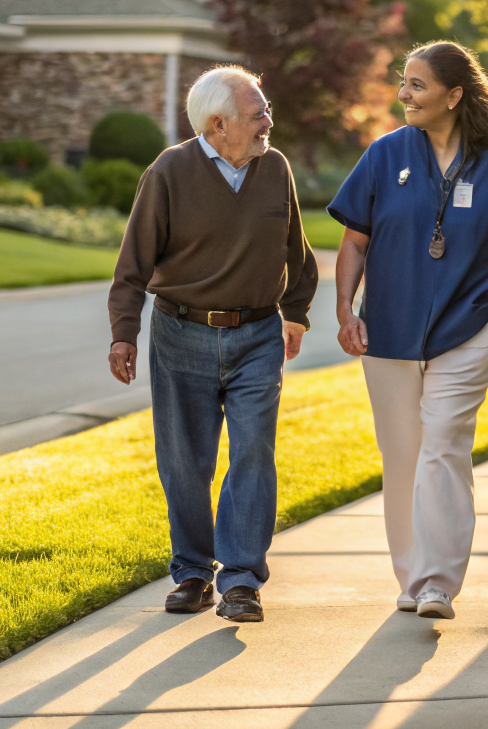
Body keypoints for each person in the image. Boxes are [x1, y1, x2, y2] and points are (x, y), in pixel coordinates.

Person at [328, 41, 488, 620]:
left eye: (417, 85)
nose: (404, 95)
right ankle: (410, 578)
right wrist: (345, 311)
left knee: (443, 448)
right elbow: (355, 240)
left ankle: (436, 583)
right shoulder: (385, 154)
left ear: (455, 96)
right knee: (403, 455)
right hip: (388, 332)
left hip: (469, 328)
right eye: (403, 83)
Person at [108, 65, 317, 623]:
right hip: (180, 334)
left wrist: (296, 312)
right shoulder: (170, 171)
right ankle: (194, 573)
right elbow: (132, 266)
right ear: (219, 123)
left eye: (266, 110)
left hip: (256, 334)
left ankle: (243, 581)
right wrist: (122, 334)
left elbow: (297, 249)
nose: (268, 121)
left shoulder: (274, 168)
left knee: (253, 453)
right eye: (258, 113)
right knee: (184, 463)